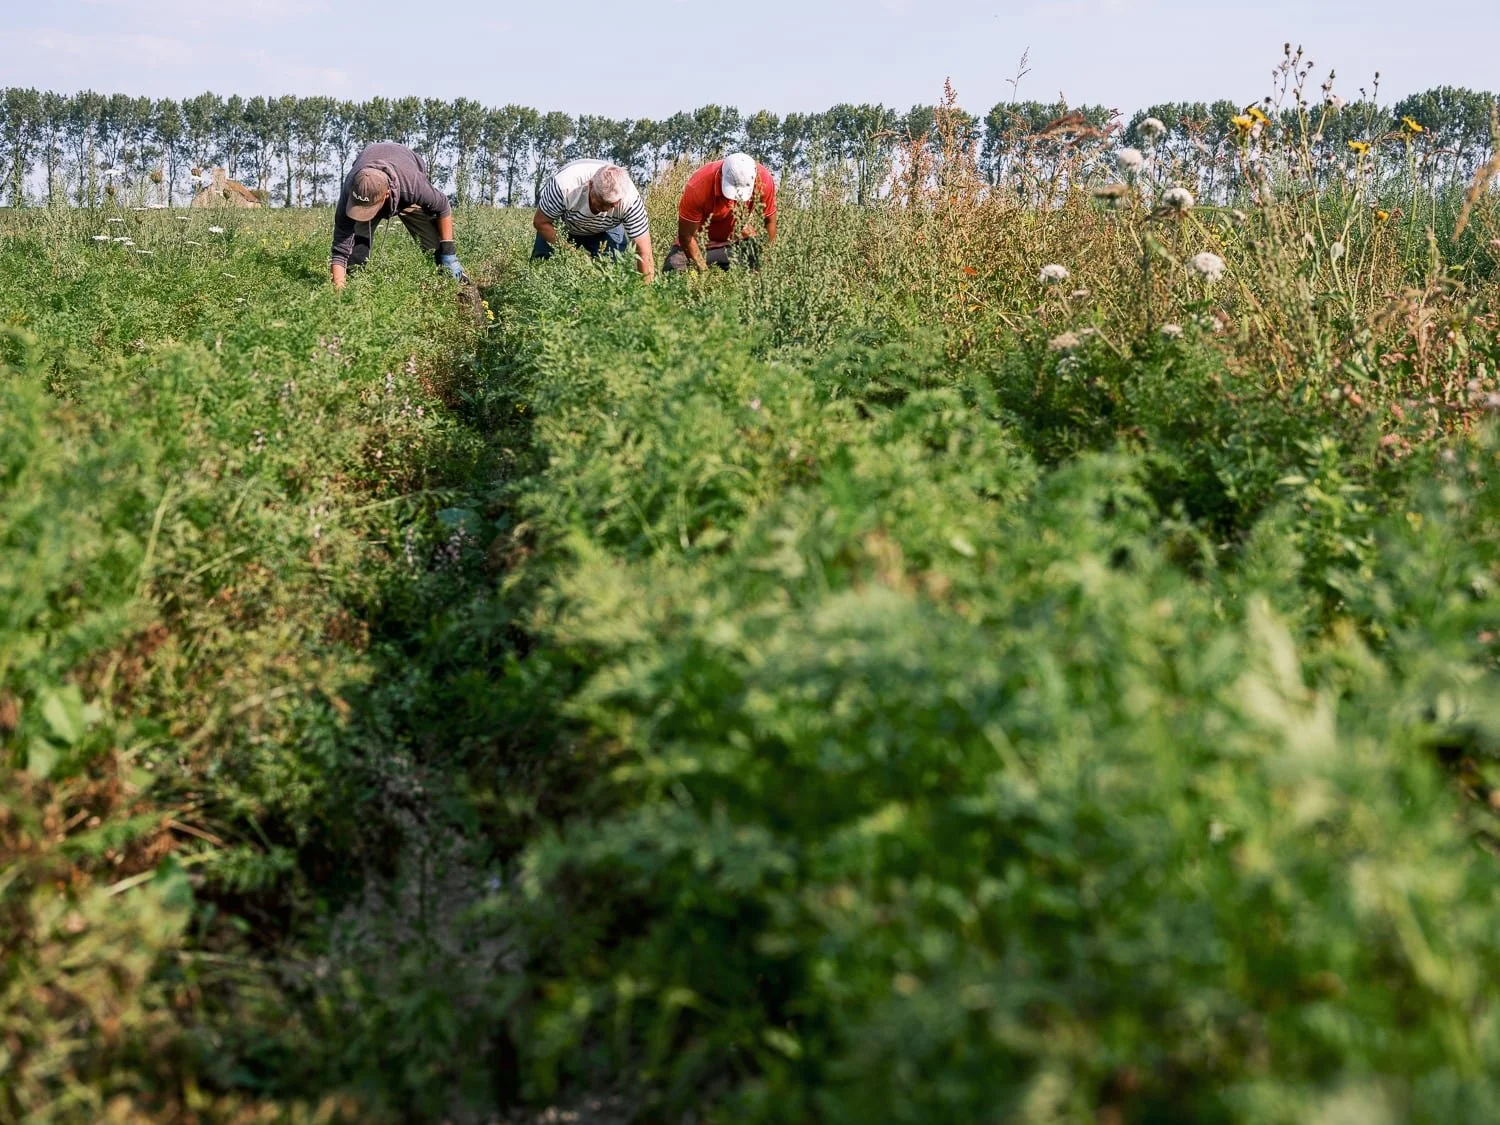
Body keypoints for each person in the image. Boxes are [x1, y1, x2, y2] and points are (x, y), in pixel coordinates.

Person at [330, 142, 466, 290]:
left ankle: (455, 286)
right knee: (356, 249)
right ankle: (355, 286)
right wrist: (340, 293)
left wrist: (449, 253)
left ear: (386, 195)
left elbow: (443, 206)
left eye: (368, 208)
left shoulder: (413, 186)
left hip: (405, 186)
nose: (364, 212)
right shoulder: (351, 191)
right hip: (371, 190)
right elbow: (340, 249)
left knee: (436, 248)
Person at [533, 160, 654, 282]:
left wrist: (646, 296)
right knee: (543, 270)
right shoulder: (564, 185)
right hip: (564, 225)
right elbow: (540, 222)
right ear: (590, 185)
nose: (604, 208)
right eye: (600, 201)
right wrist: (575, 256)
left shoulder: (630, 202)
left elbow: (644, 253)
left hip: (606, 228)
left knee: (610, 275)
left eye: (611, 205)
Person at [663, 152, 776, 273]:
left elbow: (769, 221)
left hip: (737, 241)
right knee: (672, 269)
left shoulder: (764, 180)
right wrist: (704, 273)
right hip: (698, 245)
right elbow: (687, 236)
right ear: (721, 175)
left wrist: (761, 261)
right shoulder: (698, 186)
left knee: (761, 267)